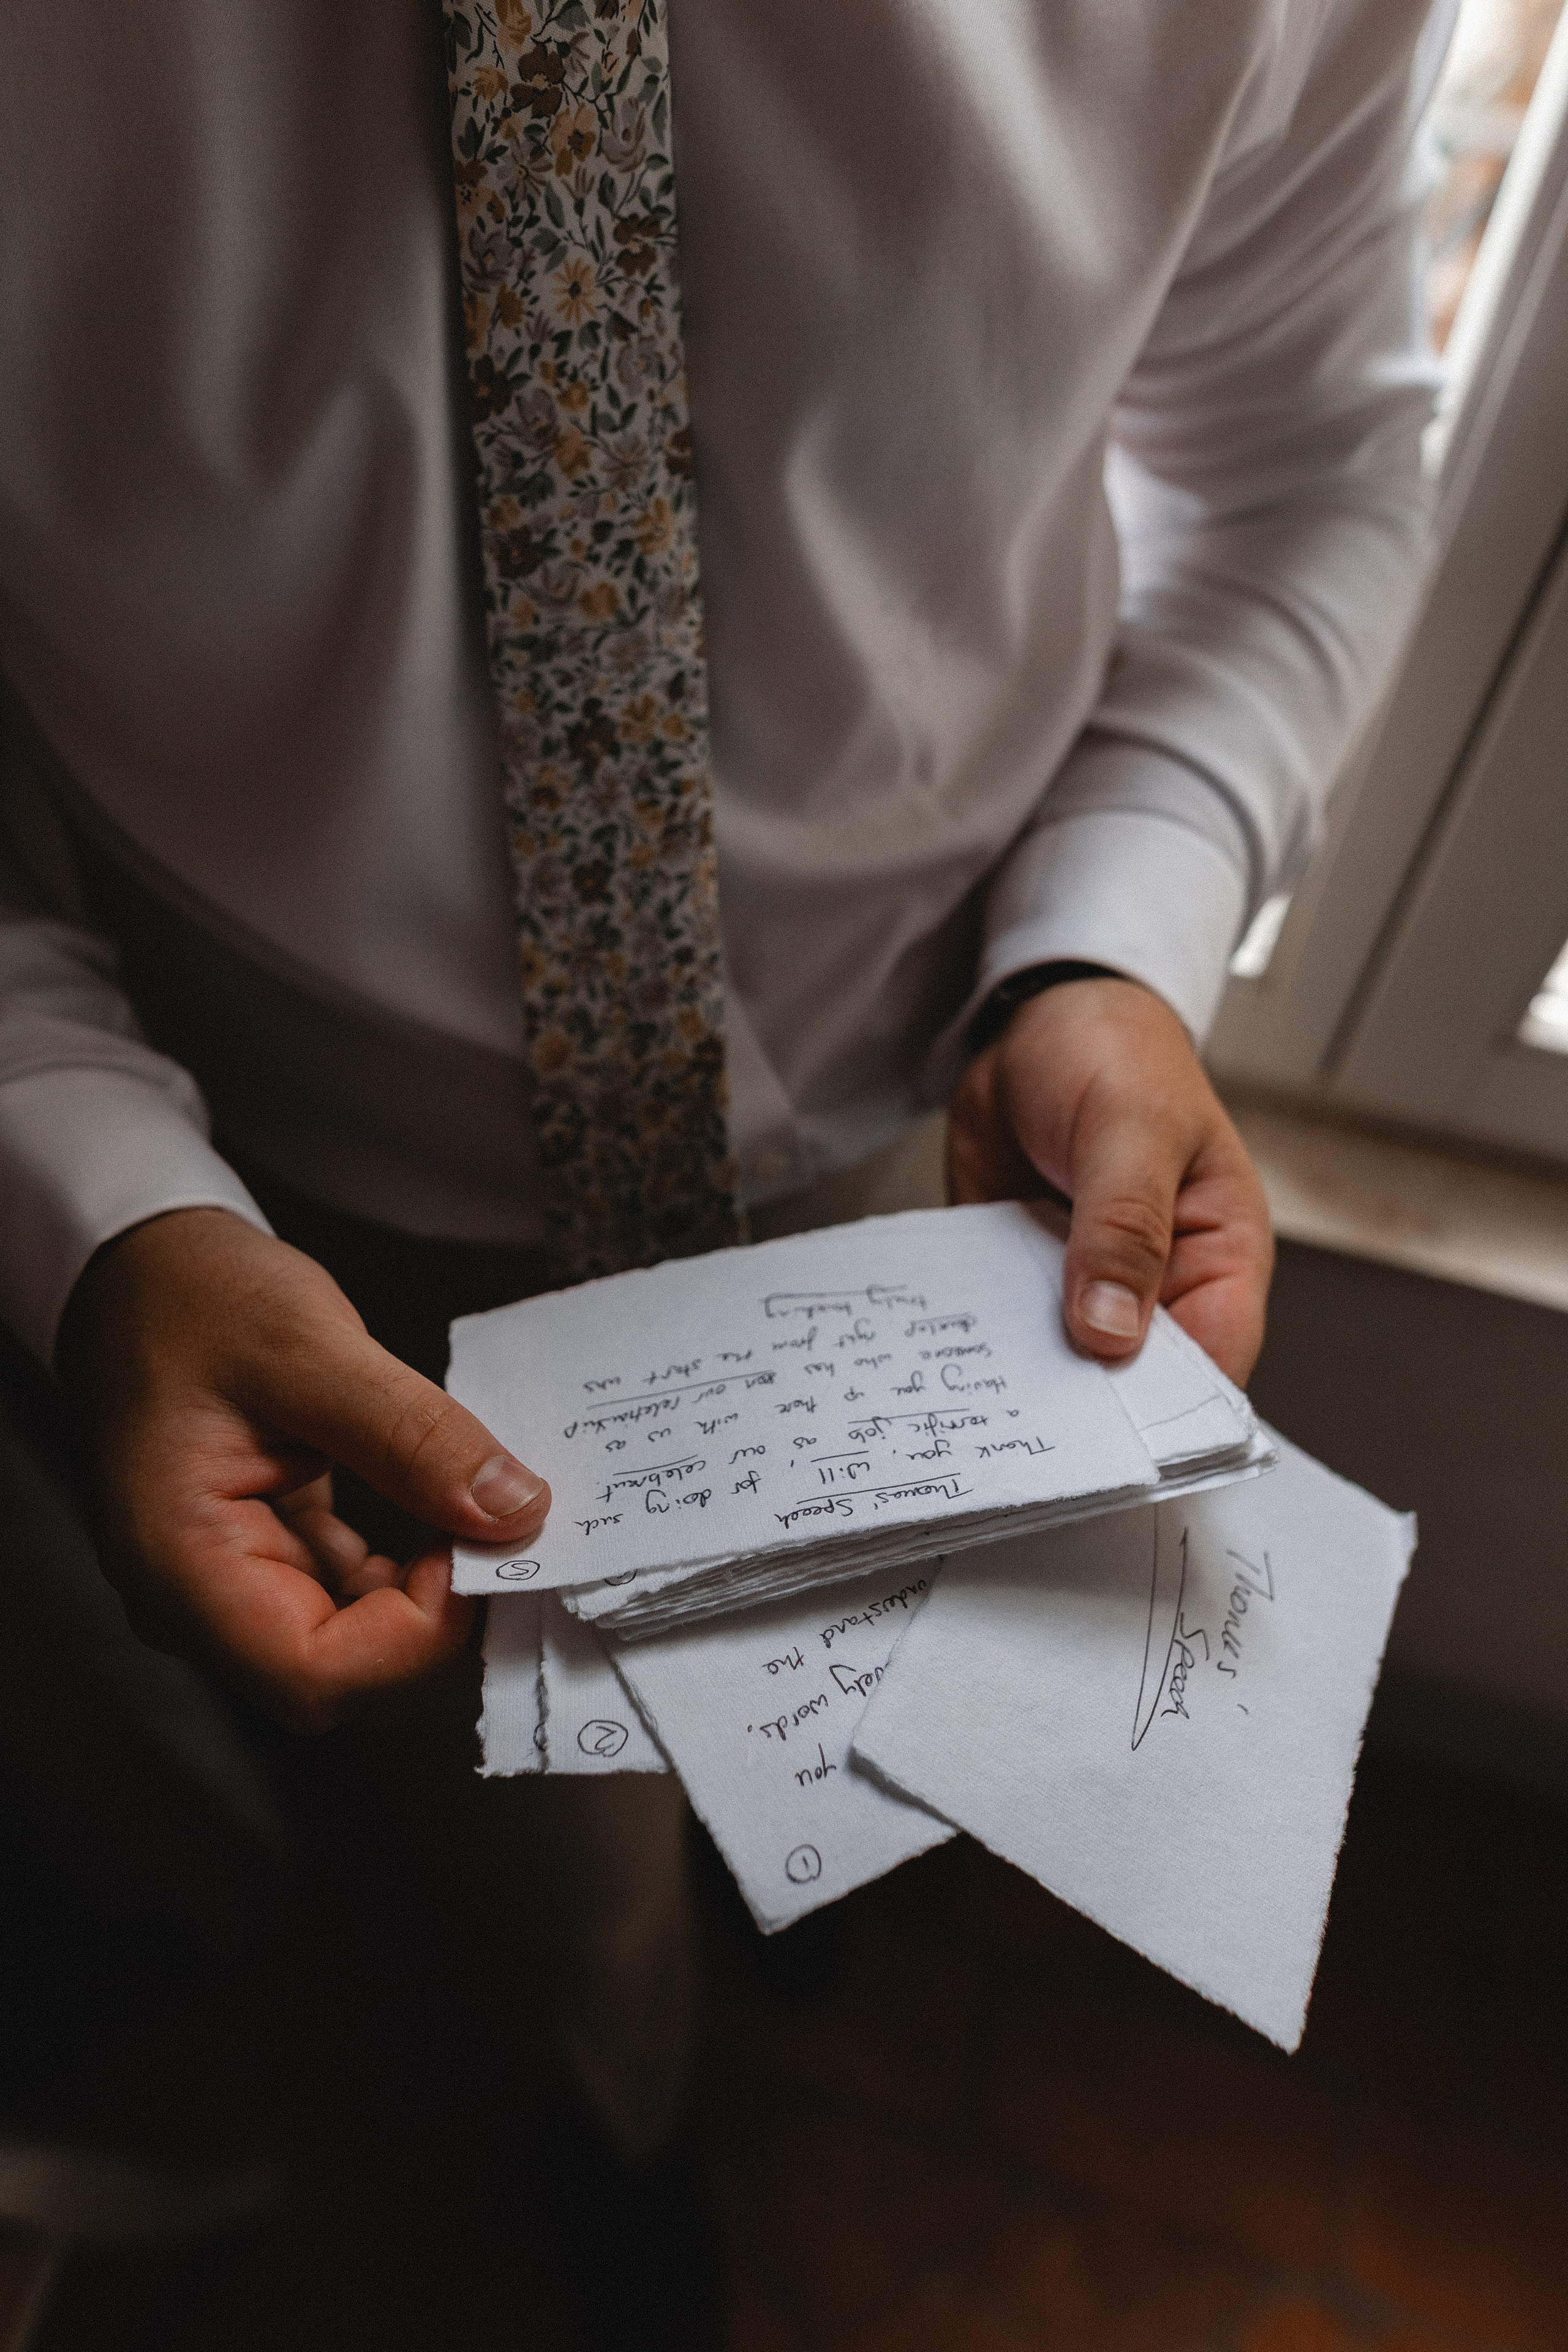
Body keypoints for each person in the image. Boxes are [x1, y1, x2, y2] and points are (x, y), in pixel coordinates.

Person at [0, 0, 1451, 2335]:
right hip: (287, 1217)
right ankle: (614, 2143)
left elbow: (1303, 464)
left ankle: (810, 1904)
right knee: (536, 1880)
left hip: (947, 1113)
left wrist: (1113, 947)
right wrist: (82, 1183)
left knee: (857, 1683)